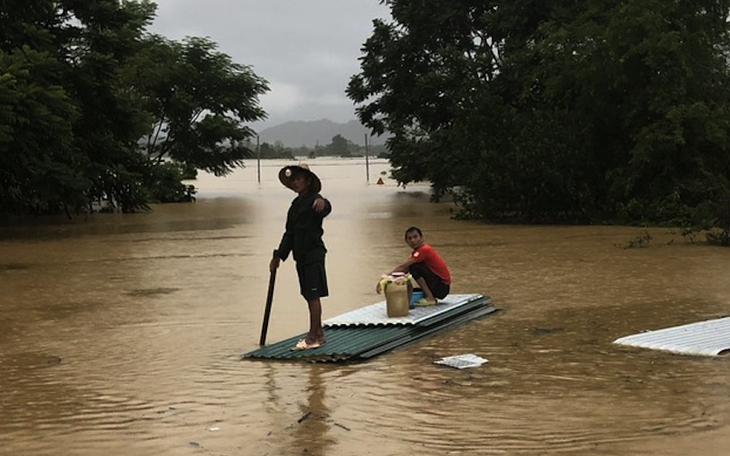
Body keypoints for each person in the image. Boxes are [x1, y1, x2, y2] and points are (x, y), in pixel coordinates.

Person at [270, 164, 332, 350]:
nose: (296, 182)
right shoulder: (295, 205)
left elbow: (325, 208)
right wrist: (278, 256)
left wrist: (325, 202)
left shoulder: (316, 200)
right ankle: (318, 332)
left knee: (313, 295)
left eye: (299, 179)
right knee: (307, 294)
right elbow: (289, 233)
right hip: (301, 255)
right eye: (294, 179)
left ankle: (313, 337)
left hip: (313, 253)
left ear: (308, 180)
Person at [381, 226, 451, 306]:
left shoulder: (424, 250)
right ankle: (428, 295)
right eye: (409, 238)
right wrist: (390, 280)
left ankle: (430, 297)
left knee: (414, 267)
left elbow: (404, 267)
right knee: (407, 275)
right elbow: (404, 270)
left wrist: (385, 278)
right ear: (406, 241)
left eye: (415, 237)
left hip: (441, 287)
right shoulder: (416, 253)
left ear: (421, 238)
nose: (413, 240)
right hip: (438, 285)